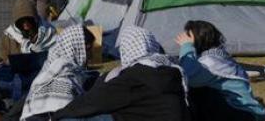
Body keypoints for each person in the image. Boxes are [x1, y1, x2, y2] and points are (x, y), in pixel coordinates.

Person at [52, 26, 190, 121]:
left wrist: (58, 115)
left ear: (126, 49)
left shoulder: (134, 76)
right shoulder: (172, 70)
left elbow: (95, 101)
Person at [176, 21, 265, 121]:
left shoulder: (212, 61)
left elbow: (188, 76)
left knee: (197, 91)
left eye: (189, 39)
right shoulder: (217, 55)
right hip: (240, 112)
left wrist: (187, 47)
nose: (183, 42)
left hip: (242, 114)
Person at [20, 25, 97, 120]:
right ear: (75, 47)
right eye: (88, 49)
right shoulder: (63, 78)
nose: (91, 56)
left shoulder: (52, 69)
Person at [0, 0, 56, 65]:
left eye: (28, 19)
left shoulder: (49, 32)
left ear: (34, 19)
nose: (25, 23)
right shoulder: (9, 37)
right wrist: (8, 63)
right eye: (21, 21)